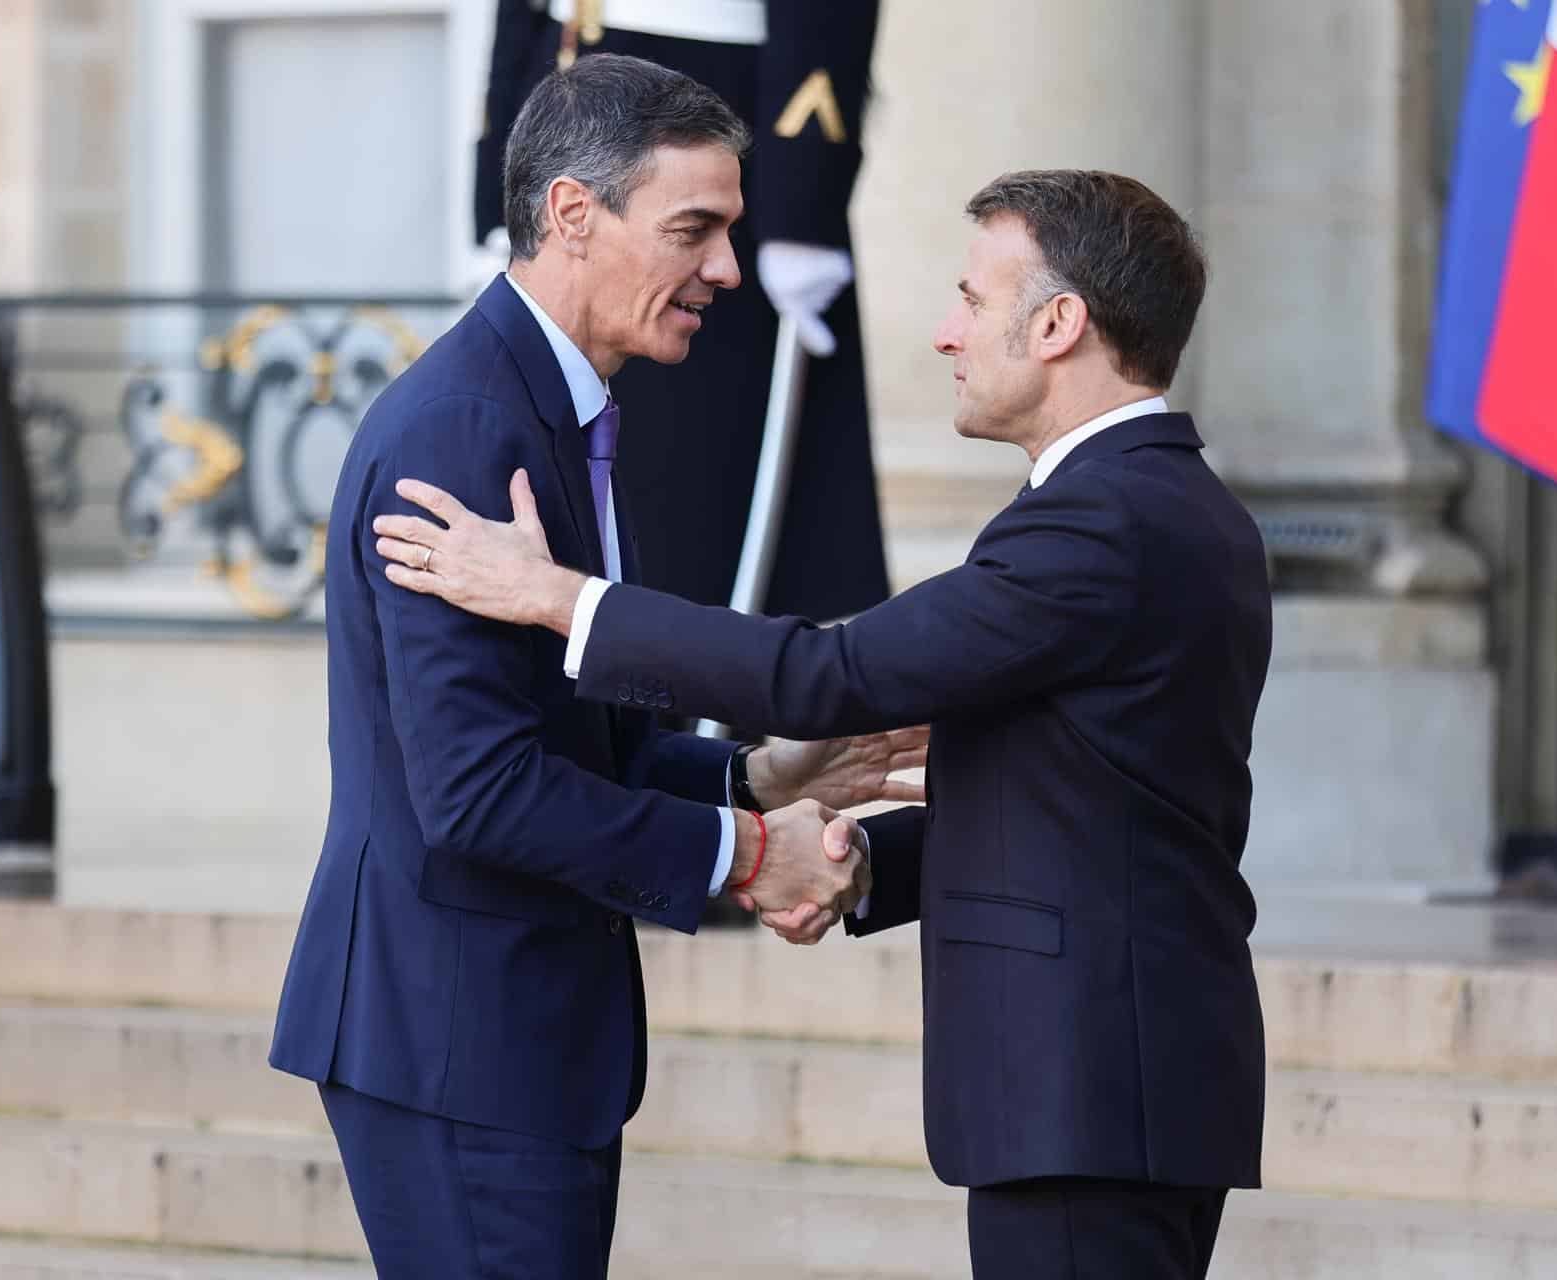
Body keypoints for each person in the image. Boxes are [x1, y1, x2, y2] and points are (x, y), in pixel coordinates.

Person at [374, 169, 1274, 1280]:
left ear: (1057, 325)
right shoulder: (1167, 502)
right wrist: (851, 867)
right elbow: (1092, 804)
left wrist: (559, 597)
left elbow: (830, 673)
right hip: (1125, 1084)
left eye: (970, 300)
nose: (946, 333)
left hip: (1093, 1090)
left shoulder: (1102, 519)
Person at [269, 54, 925, 1279]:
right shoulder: (467, 430)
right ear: (574, 213)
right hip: (460, 1038)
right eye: (696, 228)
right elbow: (477, 788)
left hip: (506, 1037)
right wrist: (743, 857)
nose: (727, 268)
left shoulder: (546, 406)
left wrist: (760, 778)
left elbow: (583, 737)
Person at [472, 0, 889, 621]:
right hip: (561, 96)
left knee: (686, 498)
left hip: (702, 110)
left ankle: (685, 703)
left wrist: (803, 198)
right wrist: (498, 187)